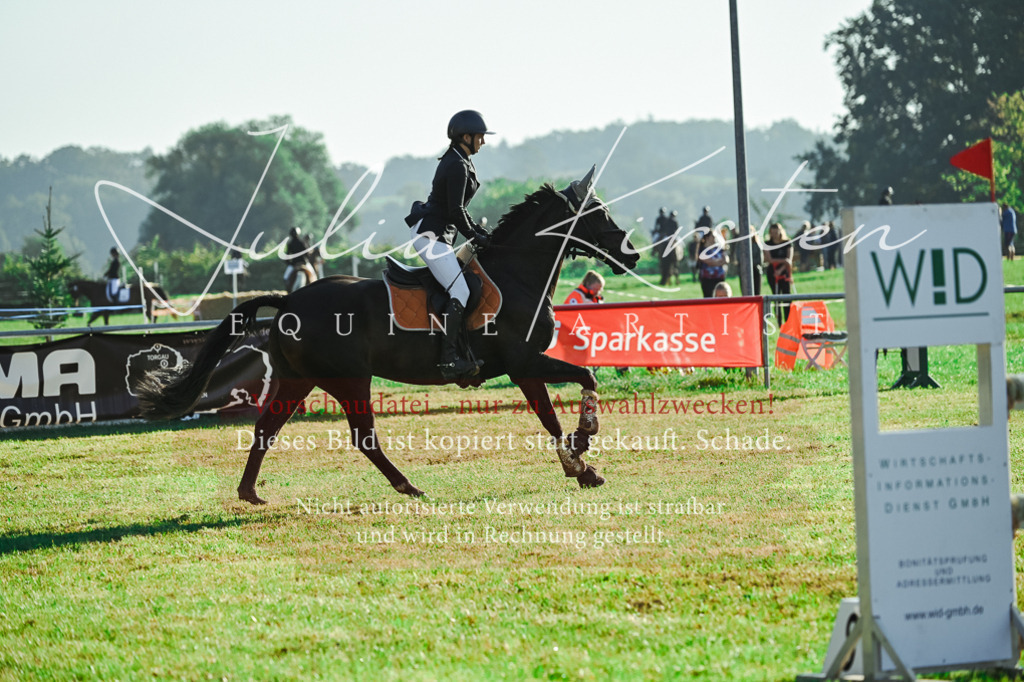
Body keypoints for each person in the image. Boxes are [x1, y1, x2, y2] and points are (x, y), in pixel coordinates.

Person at [405, 109, 494, 381]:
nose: (483, 141)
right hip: (431, 235)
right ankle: (449, 361)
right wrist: (474, 235)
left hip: (441, 234)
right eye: (480, 136)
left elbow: (459, 212)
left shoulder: (460, 159)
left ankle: (461, 350)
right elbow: (456, 210)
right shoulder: (456, 164)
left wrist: (478, 232)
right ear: (465, 136)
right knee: (461, 290)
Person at [764, 222, 794, 324]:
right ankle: (779, 321)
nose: (775, 235)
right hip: (772, 273)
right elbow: (769, 259)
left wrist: (781, 268)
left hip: (784, 272)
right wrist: (783, 261)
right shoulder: (768, 244)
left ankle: (789, 320)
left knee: (787, 296)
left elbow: (789, 260)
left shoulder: (787, 243)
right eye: (773, 233)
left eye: (776, 232)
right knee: (776, 296)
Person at [696, 227, 728, 298]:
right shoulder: (702, 250)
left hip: (719, 278)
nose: (714, 238)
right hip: (708, 279)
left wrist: (715, 262)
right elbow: (709, 262)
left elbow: (726, 260)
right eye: (712, 236)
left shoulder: (719, 249)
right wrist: (719, 262)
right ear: (707, 238)